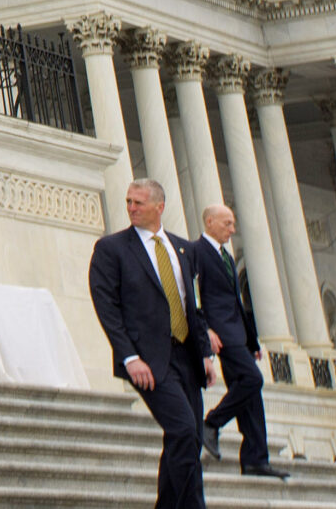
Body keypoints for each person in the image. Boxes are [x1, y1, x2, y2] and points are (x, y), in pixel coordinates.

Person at [89, 177, 214, 509]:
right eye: (128, 201)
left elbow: (193, 305)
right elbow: (106, 307)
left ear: (159, 206)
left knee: (190, 438)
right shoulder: (111, 249)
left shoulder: (182, 248)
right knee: (184, 430)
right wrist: (129, 356)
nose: (131, 208)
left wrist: (204, 353)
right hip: (148, 360)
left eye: (138, 203)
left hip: (186, 355)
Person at [193, 203, 285, 478]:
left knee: (251, 397)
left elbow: (236, 301)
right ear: (210, 222)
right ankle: (211, 423)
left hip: (238, 335)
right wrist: (205, 330)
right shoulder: (196, 252)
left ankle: (256, 459)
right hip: (221, 335)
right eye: (227, 223)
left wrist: (253, 342)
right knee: (253, 380)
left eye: (233, 224)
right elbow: (194, 297)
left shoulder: (228, 257)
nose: (233, 230)